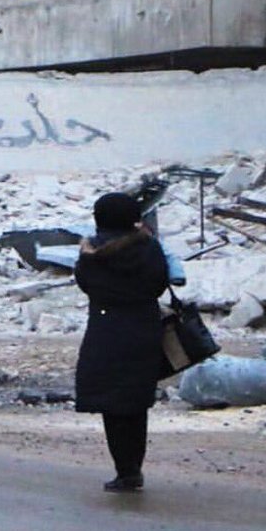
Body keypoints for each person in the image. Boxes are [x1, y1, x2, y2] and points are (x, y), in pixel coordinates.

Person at [74, 192, 169, 493]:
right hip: (143, 329)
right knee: (136, 402)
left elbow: (85, 283)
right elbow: (160, 283)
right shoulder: (149, 247)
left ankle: (125, 471)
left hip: (106, 331)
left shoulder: (91, 253)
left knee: (111, 404)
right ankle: (133, 468)